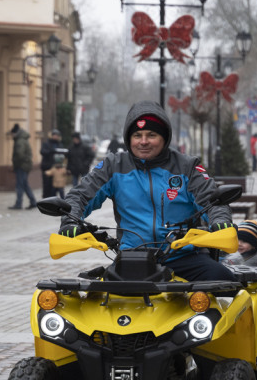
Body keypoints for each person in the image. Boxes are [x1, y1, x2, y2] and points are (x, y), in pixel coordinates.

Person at [59, 100, 236, 282]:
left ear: (164, 137)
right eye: (137, 135)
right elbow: (80, 195)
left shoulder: (187, 166)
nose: (143, 142)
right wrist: (70, 221)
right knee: (96, 301)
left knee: (224, 280)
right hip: (131, 260)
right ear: (129, 139)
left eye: (151, 135)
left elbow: (212, 200)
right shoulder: (113, 166)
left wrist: (220, 221)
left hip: (183, 257)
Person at [8, 123, 37, 210]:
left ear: (15, 133)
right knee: (24, 184)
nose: (11, 136)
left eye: (12, 134)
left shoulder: (19, 141)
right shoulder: (23, 140)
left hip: (21, 166)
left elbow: (19, 155)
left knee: (20, 185)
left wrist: (15, 164)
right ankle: (33, 201)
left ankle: (19, 203)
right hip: (25, 165)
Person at [39, 128, 64, 198]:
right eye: (54, 135)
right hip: (47, 167)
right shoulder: (46, 144)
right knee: (46, 185)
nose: (55, 137)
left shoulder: (60, 145)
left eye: (57, 135)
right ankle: (45, 198)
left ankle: (53, 198)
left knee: (55, 185)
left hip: (56, 168)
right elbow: (42, 152)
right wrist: (50, 151)